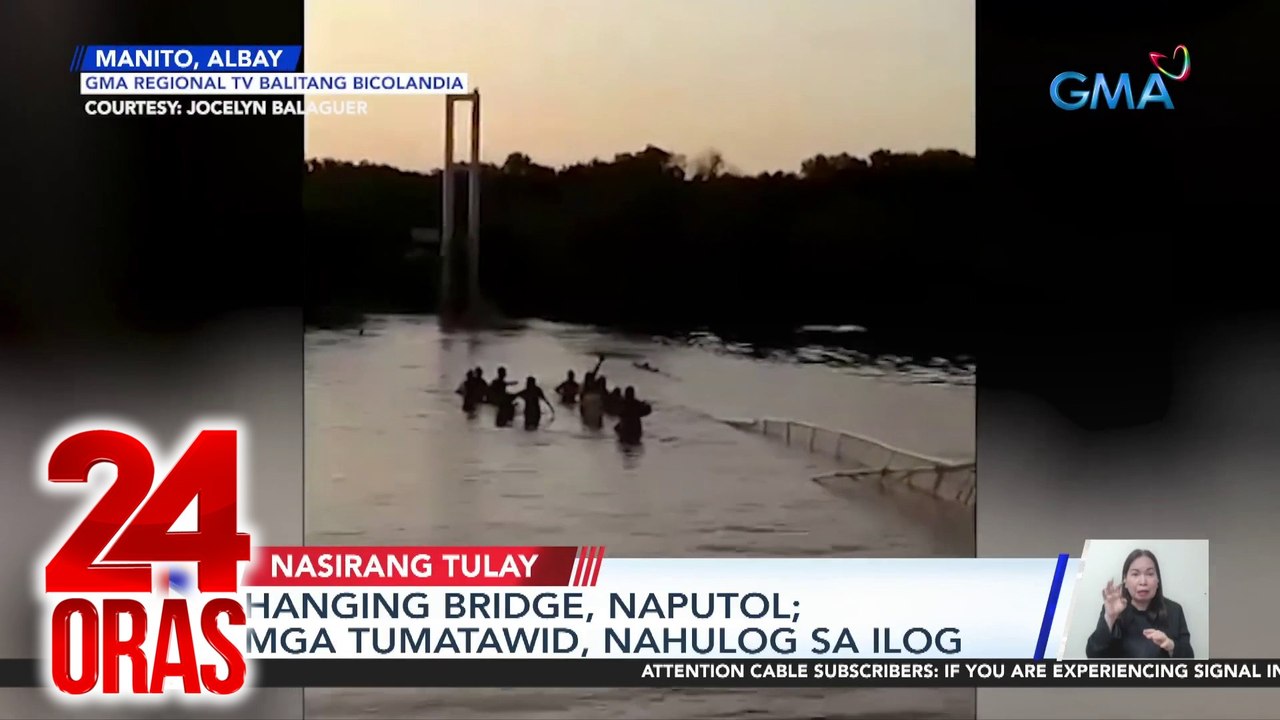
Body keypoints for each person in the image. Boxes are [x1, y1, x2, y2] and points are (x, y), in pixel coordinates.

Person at [1085, 549, 1193, 659]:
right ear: (1125, 581)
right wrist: (1110, 617)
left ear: (1158, 580)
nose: (1143, 582)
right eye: (1135, 574)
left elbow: (1189, 658)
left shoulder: (1174, 610)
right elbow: (1093, 655)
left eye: (1150, 574)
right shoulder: (1113, 609)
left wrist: (1170, 645)